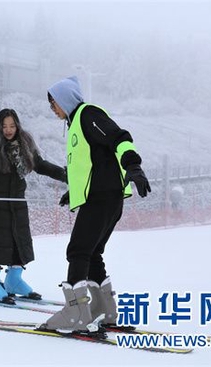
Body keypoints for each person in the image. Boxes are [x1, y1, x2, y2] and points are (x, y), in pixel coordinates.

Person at [43, 76, 151, 334]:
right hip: (104, 197)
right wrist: (74, 192)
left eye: (54, 103)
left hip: (102, 197)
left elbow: (119, 137)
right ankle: (105, 309)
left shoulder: (87, 115)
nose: (52, 109)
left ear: (65, 99)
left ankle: (74, 314)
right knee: (91, 254)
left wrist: (133, 165)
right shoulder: (76, 124)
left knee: (77, 252)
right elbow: (91, 164)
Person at [0, 108, 67, 303]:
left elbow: (41, 165)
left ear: (17, 126)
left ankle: (14, 280)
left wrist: (64, 174)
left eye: (12, 126)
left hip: (17, 203)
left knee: (19, 241)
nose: (9, 130)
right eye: (4, 126)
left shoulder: (24, 145)